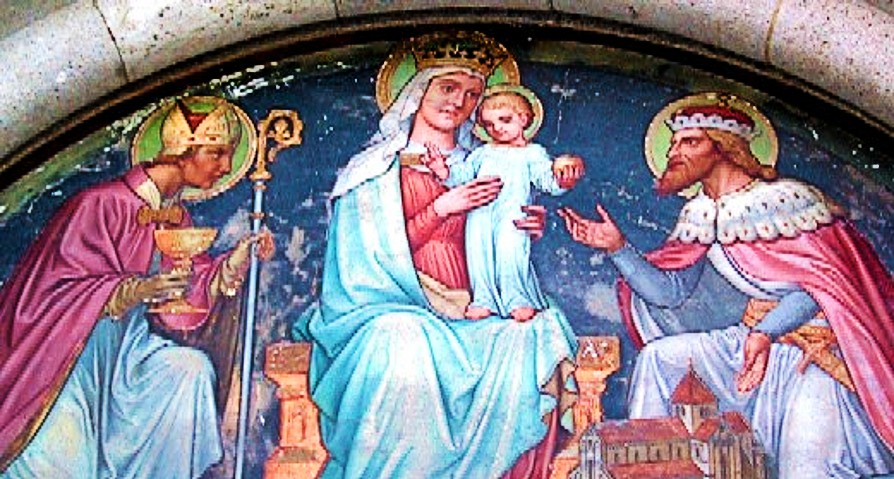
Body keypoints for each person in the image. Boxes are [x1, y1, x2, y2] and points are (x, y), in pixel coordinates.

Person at [292, 31, 583, 478]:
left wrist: (525, 224)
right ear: (417, 91)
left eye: (472, 95)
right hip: (388, 306)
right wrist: (441, 208)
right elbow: (362, 260)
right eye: (448, 88)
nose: (458, 103)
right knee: (402, 338)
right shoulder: (372, 173)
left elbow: (502, 227)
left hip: (476, 306)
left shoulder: (489, 162)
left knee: (529, 336)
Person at [559, 99, 894, 478]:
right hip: (751, 341)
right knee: (659, 358)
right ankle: (650, 471)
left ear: (723, 147)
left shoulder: (789, 204)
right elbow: (671, 293)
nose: (674, 152)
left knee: (806, 466)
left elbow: (821, 287)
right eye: (674, 143)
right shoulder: (701, 213)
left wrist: (766, 333)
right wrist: (618, 248)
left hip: (817, 353)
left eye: (690, 142)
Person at [0, 97, 274, 478]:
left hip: (127, 357)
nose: (226, 167)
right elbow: (56, 292)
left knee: (190, 371)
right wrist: (136, 290)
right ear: (182, 151)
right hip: (68, 360)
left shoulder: (174, 219)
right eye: (216, 153)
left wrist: (233, 262)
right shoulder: (97, 204)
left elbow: (187, 294)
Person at [424, 85, 583, 321]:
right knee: (478, 257)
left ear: (523, 119)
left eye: (505, 120)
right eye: (489, 124)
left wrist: (562, 180)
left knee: (511, 254)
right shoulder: (483, 153)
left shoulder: (532, 153)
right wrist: (443, 171)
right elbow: (463, 175)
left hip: (513, 215)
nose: (497, 128)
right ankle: (483, 299)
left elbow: (546, 180)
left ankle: (517, 299)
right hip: (479, 215)